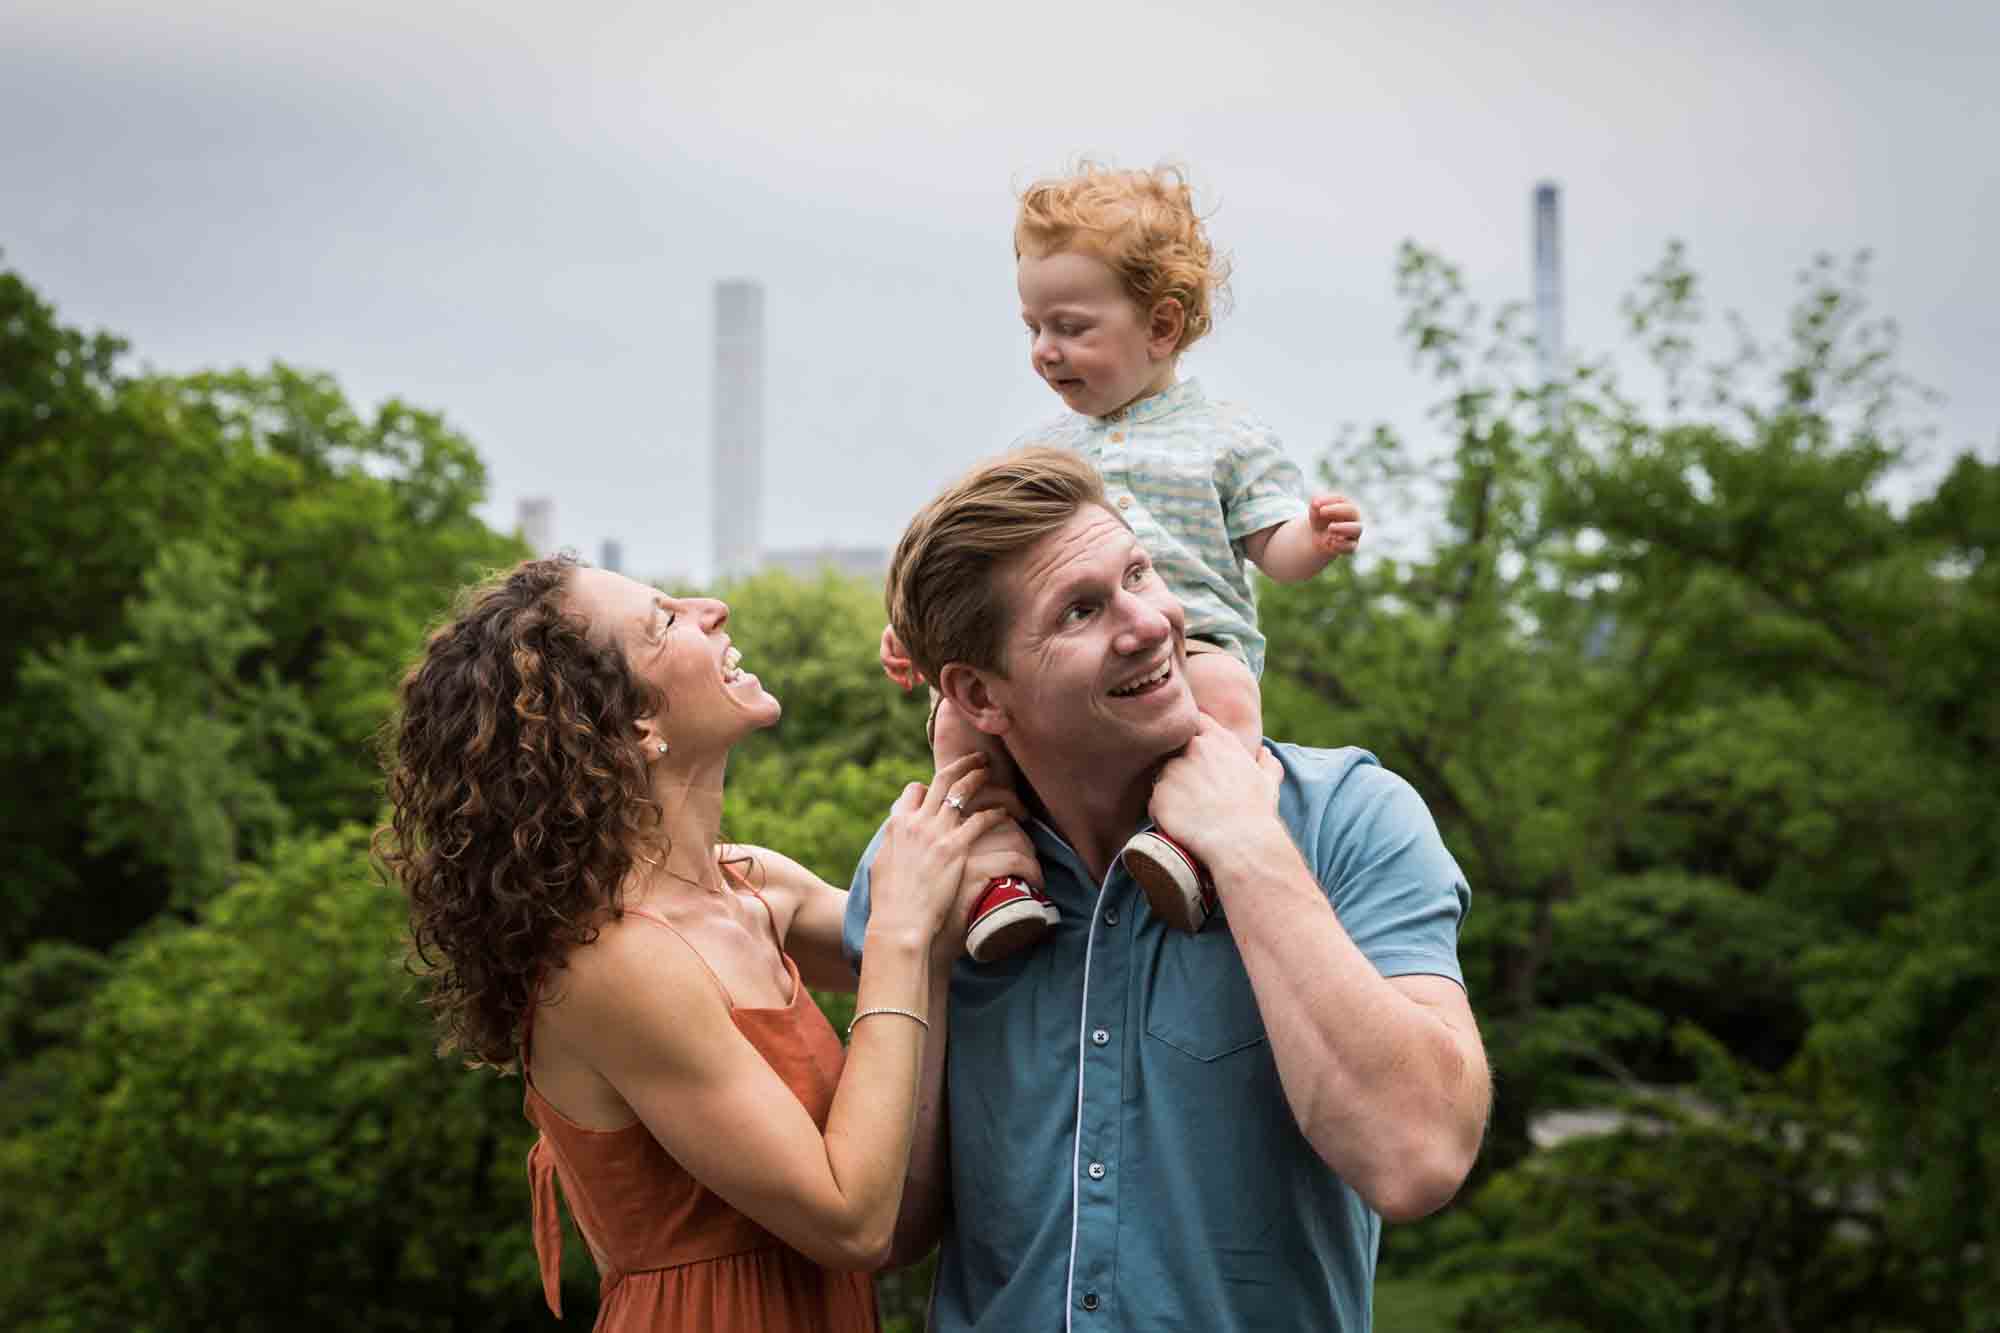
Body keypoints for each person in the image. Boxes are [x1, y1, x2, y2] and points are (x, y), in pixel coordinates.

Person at [845, 450, 1490, 1330]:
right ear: (977, 695)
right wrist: (913, 950)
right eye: (1082, 609)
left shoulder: (1347, 818)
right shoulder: (922, 868)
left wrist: (1250, 848)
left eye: (1138, 574)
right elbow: (887, 1225)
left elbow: (1417, 1156)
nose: (1152, 623)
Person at [378, 554, 1033, 1332]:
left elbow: (937, 940)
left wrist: (960, 700)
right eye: (664, 621)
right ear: (631, 723)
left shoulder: (757, 889)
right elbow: (851, 1218)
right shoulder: (611, 963)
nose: (713, 606)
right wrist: (902, 927)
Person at [880, 161, 1365, 960]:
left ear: (1161, 327)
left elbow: (1272, 549)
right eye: (1033, 327)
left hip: (1193, 643)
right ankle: (999, 871)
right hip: (1058, 667)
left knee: (1228, 693)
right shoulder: (1039, 453)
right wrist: (918, 630)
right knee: (957, 718)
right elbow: (976, 562)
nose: (1045, 350)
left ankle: (1196, 844)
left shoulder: (1225, 437)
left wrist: (1314, 538)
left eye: (1071, 327)